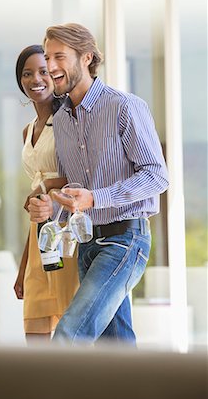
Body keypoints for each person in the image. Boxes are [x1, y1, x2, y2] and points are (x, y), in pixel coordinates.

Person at [28, 24, 169, 346]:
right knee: (115, 348)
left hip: (126, 240)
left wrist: (95, 198)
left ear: (86, 57)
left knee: (69, 334)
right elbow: (71, 190)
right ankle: (133, 398)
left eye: (59, 56)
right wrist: (53, 205)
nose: (50, 67)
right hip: (88, 244)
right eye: (48, 56)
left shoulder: (123, 106)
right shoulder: (61, 120)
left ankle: (36, 396)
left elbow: (157, 175)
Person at [13, 44, 79, 343]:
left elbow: (79, 177)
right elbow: (33, 202)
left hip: (65, 231)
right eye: (27, 73)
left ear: (54, 76)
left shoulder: (70, 120)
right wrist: (23, 265)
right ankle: (39, 391)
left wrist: (45, 188)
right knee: (34, 334)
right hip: (39, 235)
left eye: (42, 71)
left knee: (69, 328)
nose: (35, 79)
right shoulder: (28, 131)